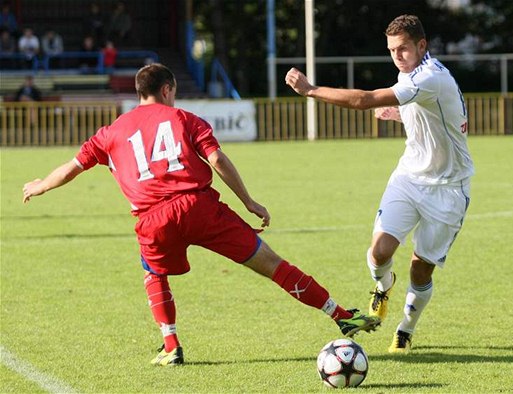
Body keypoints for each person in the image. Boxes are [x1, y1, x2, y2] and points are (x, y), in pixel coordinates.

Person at [22, 63, 379, 366]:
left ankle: (171, 345)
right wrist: (249, 201)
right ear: (167, 89)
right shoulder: (183, 118)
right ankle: (340, 315)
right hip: (199, 207)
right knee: (272, 264)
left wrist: (41, 186)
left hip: (153, 219)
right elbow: (217, 159)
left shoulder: (111, 132)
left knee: (153, 272)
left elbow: (72, 167)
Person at [285, 14, 474, 354]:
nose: (397, 56)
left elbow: (365, 100)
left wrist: (311, 91)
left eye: (403, 48)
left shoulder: (430, 76)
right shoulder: (412, 73)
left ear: (421, 45)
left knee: (420, 269)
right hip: (409, 177)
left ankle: (405, 328)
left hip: (448, 189)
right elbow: (439, 114)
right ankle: (383, 287)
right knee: (379, 251)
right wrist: (401, 114)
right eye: (391, 50)